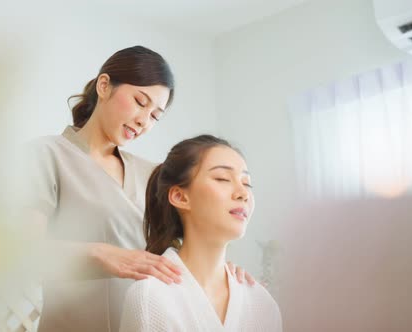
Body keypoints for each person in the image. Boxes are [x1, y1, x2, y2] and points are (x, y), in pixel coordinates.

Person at [24, 46, 257, 332]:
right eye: (139, 101)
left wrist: (221, 273)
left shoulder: (152, 174)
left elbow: (184, 252)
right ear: (104, 85)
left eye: (155, 115)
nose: (143, 121)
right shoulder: (46, 155)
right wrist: (103, 255)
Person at [120, 135, 282, 331]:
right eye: (223, 179)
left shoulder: (261, 303)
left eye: (247, 183)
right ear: (180, 196)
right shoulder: (150, 297)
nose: (243, 193)